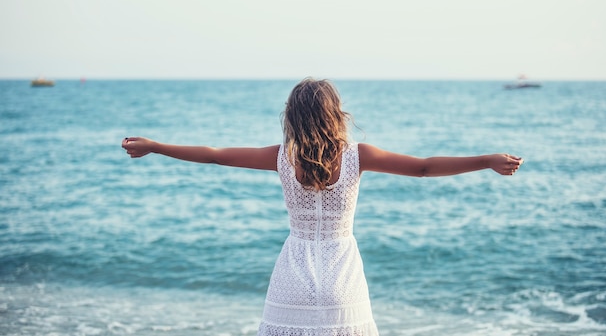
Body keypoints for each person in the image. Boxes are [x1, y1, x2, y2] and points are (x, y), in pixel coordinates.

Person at [122, 77, 523, 336]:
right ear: (336, 114)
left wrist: (156, 146)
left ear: (292, 117)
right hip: (341, 273)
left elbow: (214, 155)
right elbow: (423, 168)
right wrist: (486, 160)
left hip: (293, 272)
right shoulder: (357, 156)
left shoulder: (281, 157)